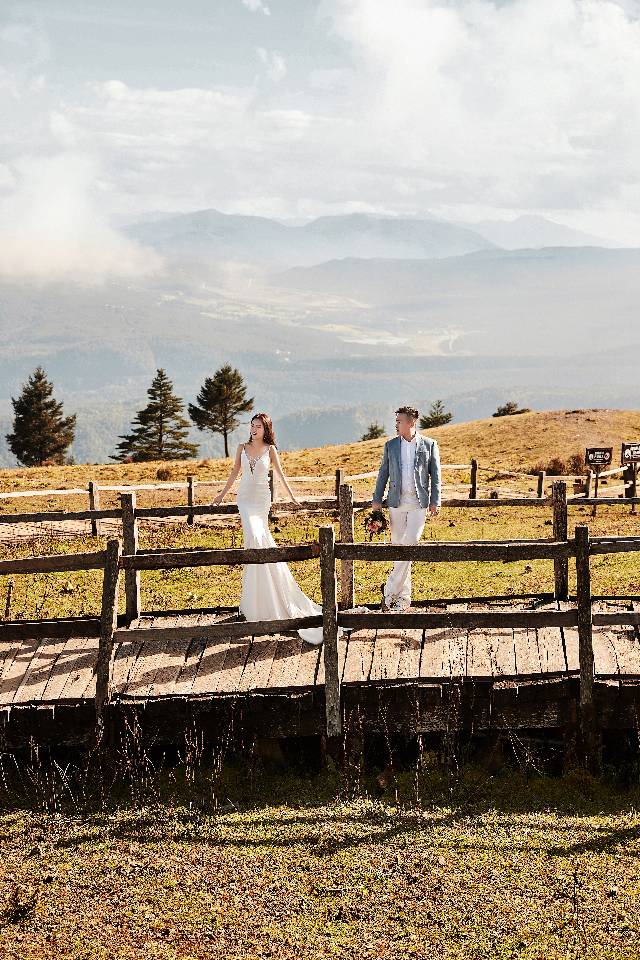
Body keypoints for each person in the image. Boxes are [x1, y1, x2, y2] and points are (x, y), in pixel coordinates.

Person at [211, 413, 325, 645]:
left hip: (262, 500)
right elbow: (234, 473)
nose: (254, 429)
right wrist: (221, 496)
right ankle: (254, 603)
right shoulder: (241, 447)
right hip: (245, 500)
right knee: (253, 541)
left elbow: (281, 475)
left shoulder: (271, 450)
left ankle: (271, 596)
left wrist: (292, 497)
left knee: (260, 540)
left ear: (266, 429)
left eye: (258, 426)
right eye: (252, 425)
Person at [371, 406, 441, 612]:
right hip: (396, 503)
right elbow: (383, 473)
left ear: (411, 422)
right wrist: (377, 499)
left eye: (399, 421)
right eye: (396, 421)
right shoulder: (390, 445)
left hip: (419, 504)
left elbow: (436, 476)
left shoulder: (429, 445)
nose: (396, 424)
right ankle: (403, 599)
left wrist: (435, 501)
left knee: (410, 543)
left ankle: (389, 591)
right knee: (398, 548)